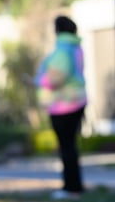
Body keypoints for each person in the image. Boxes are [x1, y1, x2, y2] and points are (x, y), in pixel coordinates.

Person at [35, 15, 88, 200]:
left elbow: (55, 78)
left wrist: (40, 80)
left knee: (66, 148)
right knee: (69, 147)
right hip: (75, 101)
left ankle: (71, 188)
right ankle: (74, 186)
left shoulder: (63, 50)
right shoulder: (75, 48)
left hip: (64, 105)